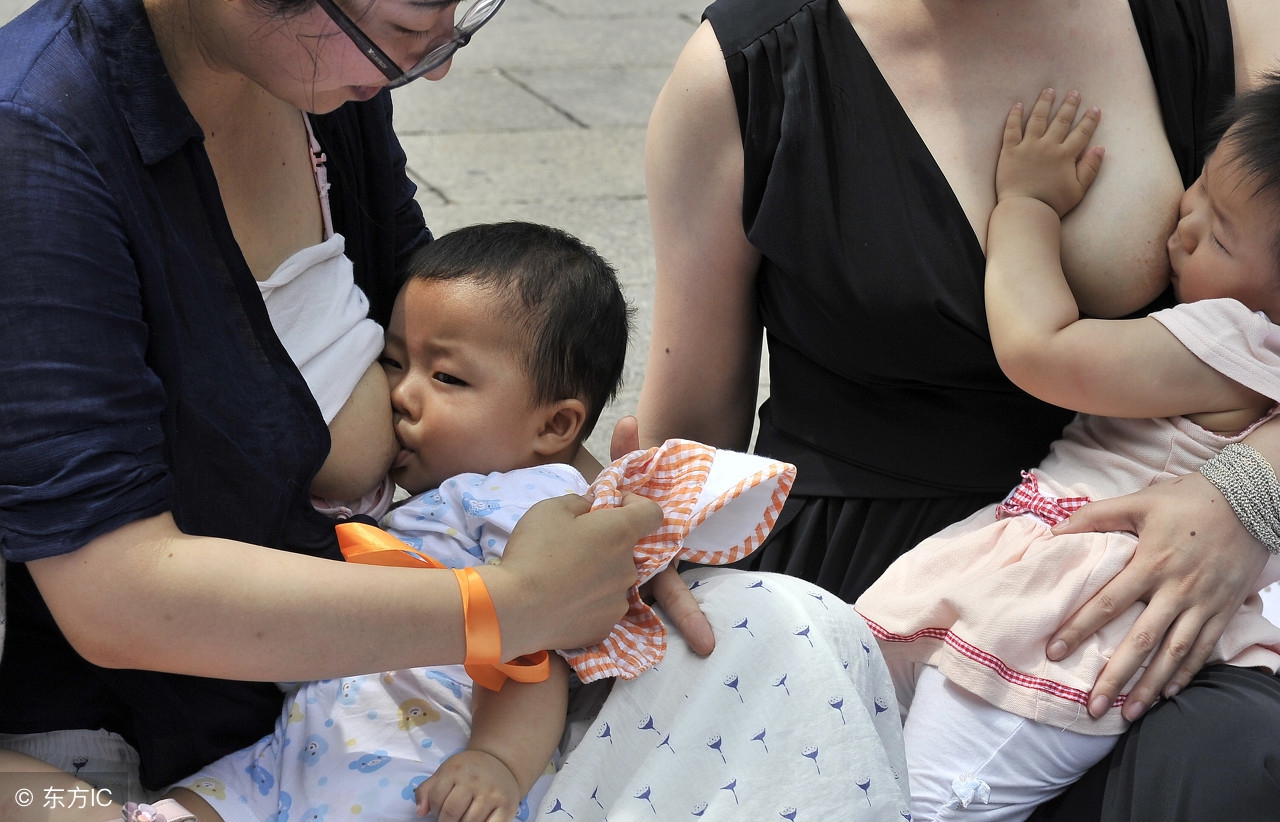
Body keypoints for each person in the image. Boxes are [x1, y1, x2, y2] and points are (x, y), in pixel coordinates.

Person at [0, 0, 906, 816]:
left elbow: (466, 324)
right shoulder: (40, 141)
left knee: (792, 633)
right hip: (194, 733)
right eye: (408, 24)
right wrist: (509, 602)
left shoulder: (314, 80)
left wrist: (587, 520)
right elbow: (114, 594)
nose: (433, 66)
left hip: (412, 678)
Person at [636, 0, 1280, 817]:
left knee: (1237, 765)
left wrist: (1252, 491)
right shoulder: (750, 64)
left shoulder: (1235, 18)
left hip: (1159, 591)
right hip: (870, 588)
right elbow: (692, 419)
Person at [170, 222, 905, 822]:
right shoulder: (440, 494)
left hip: (425, 748)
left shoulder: (528, 500)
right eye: (393, 364)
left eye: (447, 378)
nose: (403, 396)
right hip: (313, 735)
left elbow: (533, 648)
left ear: (557, 426)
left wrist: (496, 761)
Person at [857, 84, 1280, 820]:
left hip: (1075, 620)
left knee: (934, 804)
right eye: (1201, 190)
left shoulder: (1238, 342)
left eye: (1219, 238)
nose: (1185, 225)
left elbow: (1039, 348)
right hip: (1046, 593)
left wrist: (1026, 207)